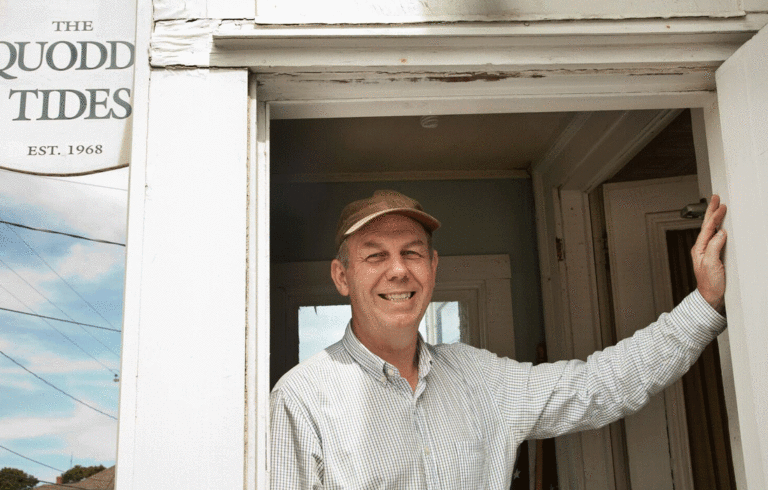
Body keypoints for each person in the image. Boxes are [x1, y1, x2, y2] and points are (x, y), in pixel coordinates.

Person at [270, 189, 727, 490]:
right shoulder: (302, 398)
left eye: (412, 252)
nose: (398, 270)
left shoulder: (481, 377)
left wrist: (705, 303)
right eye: (375, 255)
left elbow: (597, 385)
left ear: (433, 268)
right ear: (341, 276)